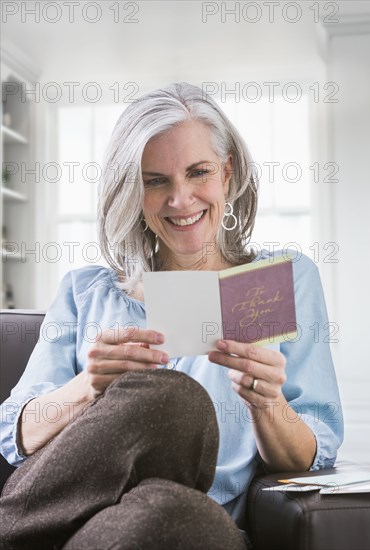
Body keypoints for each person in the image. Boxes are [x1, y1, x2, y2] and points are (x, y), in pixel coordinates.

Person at [0, 82, 344, 549]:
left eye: (198, 172)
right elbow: (13, 434)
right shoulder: (87, 291)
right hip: (70, 527)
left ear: (227, 172)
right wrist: (89, 388)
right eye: (155, 180)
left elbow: (312, 454)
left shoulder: (278, 281)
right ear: (131, 191)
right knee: (171, 402)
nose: (180, 200)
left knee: (173, 511)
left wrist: (267, 404)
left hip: (191, 529)